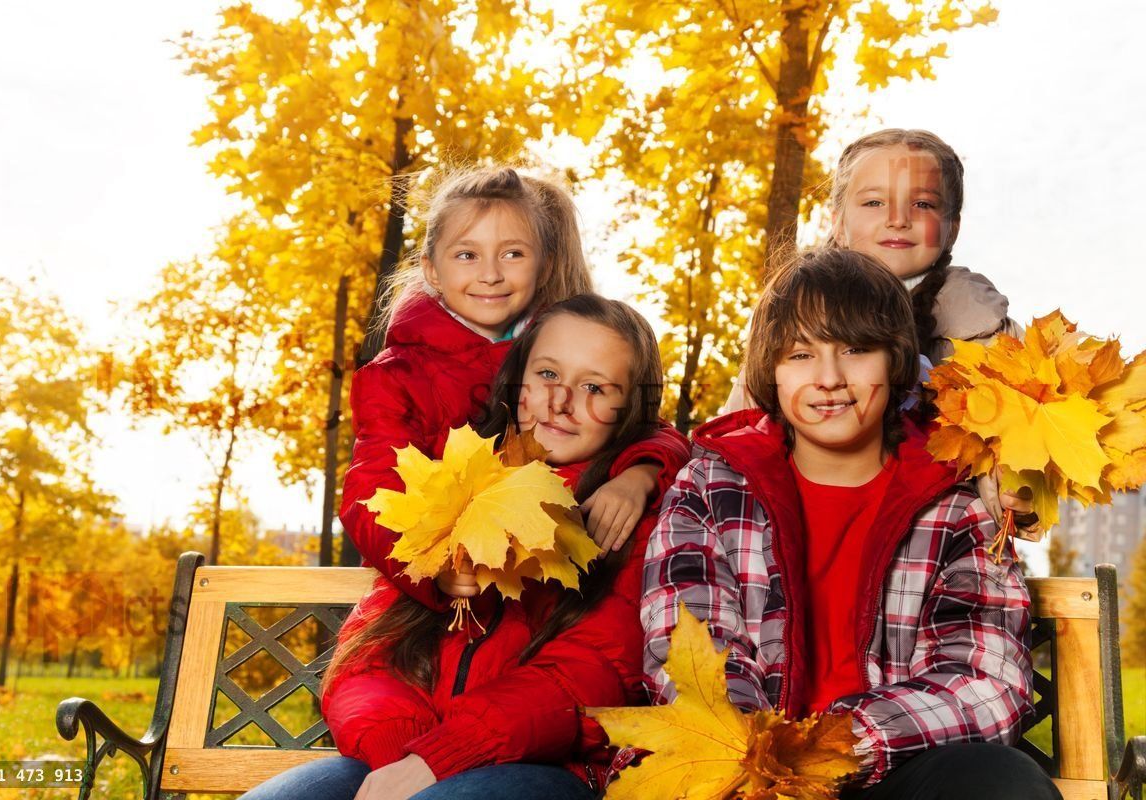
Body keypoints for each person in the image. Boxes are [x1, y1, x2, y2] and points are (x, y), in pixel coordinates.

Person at [642, 249, 1059, 799]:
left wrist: (833, 744)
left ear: (897, 362)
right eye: (800, 355)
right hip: (736, 769)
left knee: (1001, 781)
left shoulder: (953, 499)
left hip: (886, 763)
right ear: (770, 369)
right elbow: (687, 644)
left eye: (857, 350)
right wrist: (759, 762)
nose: (829, 378)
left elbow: (983, 681)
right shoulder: (712, 485)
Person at [242, 295, 689, 800]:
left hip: (551, 770)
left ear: (630, 409)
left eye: (594, 387)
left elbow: (589, 676)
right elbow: (367, 656)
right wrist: (403, 757)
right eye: (546, 374)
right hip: (405, 751)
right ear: (516, 381)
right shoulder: (456, 486)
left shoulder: (634, 517)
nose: (561, 401)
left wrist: (442, 758)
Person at [341, 167, 690, 616]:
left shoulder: (557, 345)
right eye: (467, 255)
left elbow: (647, 426)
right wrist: (431, 567)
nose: (490, 275)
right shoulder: (396, 375)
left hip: (537, 591)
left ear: (543, 264)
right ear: (431, 267)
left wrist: (641, 474)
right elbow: (371, 490)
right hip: (425, 598)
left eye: (512, 254)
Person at [721, 129, 1038, 539]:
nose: (897, 219)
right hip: (796, 533)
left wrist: (1016, 491)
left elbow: (1032, 455)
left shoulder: (989, 334)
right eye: (873, 202)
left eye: (922, 204)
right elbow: (737, 429)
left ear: (952, 228)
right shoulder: (792, 313)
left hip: (935, 551)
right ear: (836, 220)